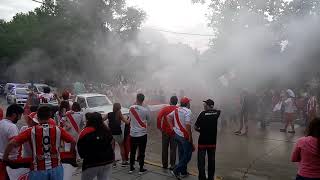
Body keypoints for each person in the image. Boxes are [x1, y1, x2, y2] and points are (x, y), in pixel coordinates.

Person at [3, 106, 76, 180]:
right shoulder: (58, 129)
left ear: (37, 116)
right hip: (56, 168)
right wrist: (71, 152)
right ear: (49, 116)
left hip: (38, 170)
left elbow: (11, 144)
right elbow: (73, 141)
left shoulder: (30, 131)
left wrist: (5, 159)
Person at [78, 112, 114, 180]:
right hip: (107, 160)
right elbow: (111, 143)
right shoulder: (106, 130)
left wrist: (83, 156)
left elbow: (80, 147)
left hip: (91, 163)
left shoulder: (85, 132)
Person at [195, 99, 221, 180]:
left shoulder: (202, 114)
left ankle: (202, 178)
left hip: (202, 142)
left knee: (201, 162)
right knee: (211, 162)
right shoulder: (217, 113)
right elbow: (218, 110)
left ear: (209, 105)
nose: (204, 105)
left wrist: (201, 131)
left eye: (205, 104)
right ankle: (211, 178)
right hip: (212, 143)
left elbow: (195, 127)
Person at [169, 97, 193, 180]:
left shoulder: (176, 109)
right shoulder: (188, 111)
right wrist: (190, 137)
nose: (190, 104)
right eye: (189, 102)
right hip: (184, 136)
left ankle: (183, 172)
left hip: (177, 135)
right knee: (188, 155)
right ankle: (176, 171)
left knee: (181, 153)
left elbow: (169, 117)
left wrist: (172, 128)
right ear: (187, 104)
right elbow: (188, 125)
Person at [0, 104, 24, 180]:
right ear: (14, 115)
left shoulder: (1, 123)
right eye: (19, 116)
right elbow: (13, 145)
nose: (19, 118)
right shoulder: (12, 127)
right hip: (9, 162)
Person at [128, 93, 150, 174]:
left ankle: (131, 167)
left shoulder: (131, 108)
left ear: (136, 99)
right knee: (142, 151)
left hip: (133, 133)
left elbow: (130, 118)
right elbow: (149, 120)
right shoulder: (145, 110)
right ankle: (141, 168)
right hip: (142, 134)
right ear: (143, 100)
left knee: (132, 151)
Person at [157, 96, 178, 170]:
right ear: (176, 102)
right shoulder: (178, 109)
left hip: (165, 131)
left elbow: (159, 117)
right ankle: (172, 165)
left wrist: (159, 127)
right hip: (174, 132)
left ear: (170, 101)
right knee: (173, 149)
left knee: (164, 148)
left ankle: (164, 165)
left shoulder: (165, 109)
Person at [107, 103, 130, 167]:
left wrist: (106, 127)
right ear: (119, 108)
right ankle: (124, 161)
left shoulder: (109, 114)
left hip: (110, 133)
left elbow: (101, 120)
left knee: (112, 148)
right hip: (118, 133)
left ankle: (113, 163)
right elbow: (127, 122)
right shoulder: (119, 114)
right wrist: (129, 118)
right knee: (121, 147)